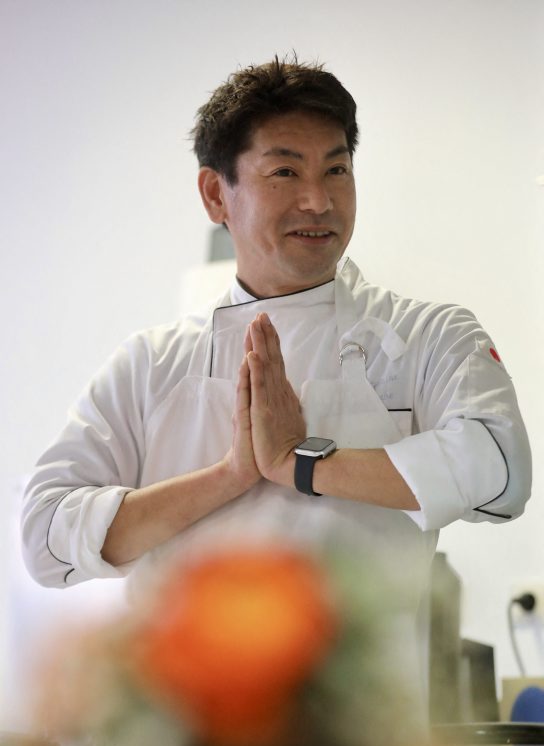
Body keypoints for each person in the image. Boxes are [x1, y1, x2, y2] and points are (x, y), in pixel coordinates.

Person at [21, 56, 532, 627]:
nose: (319, 201)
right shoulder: (150, 365)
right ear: (216, 194)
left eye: (336, 170)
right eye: (285, 172)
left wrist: (302, 463)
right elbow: (43, 537)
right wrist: (229, 475)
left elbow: (502, 470)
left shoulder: (427, 336)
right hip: (180, 685)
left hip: (362, 686)